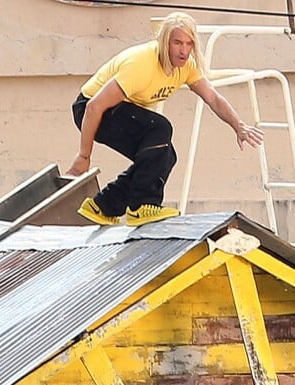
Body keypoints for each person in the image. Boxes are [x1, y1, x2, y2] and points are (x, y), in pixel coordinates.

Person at [66, 12, 264, 227]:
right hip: (90, 109)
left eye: (189, 44)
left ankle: (104, 206)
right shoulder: (142, 65)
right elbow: (94, 106)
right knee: (159, 127)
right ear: (164, 43)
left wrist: (239, 126)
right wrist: (84, 156)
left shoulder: (187, 66)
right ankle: (142, 206)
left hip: (116, 110)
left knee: (165, 156)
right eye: (177, 42)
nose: (183, 50)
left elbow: (213, 98)